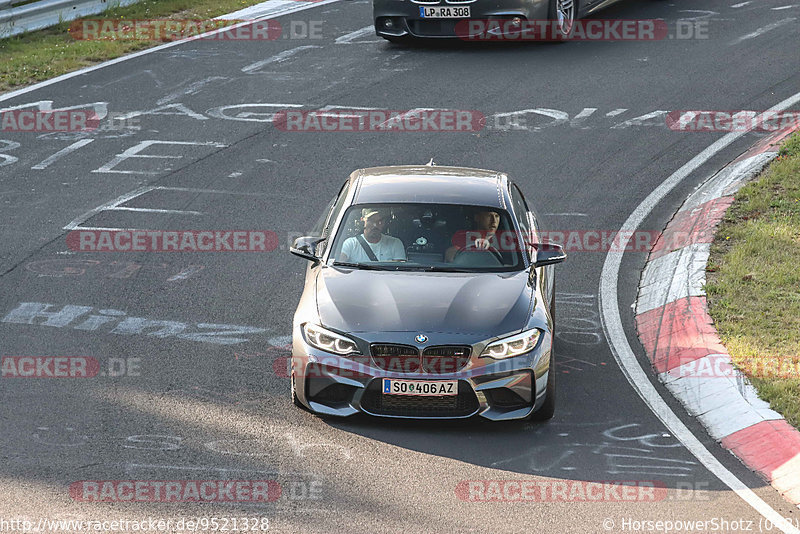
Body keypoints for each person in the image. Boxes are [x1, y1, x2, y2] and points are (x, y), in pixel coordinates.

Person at [339, 208, 406, 262]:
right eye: (371, 221)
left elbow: (399, 272)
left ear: (384, 223)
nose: (375, 225)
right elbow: (339, 266)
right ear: (362, 221)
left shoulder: (395, 243)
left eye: (379, 221)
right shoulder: (350, 244)